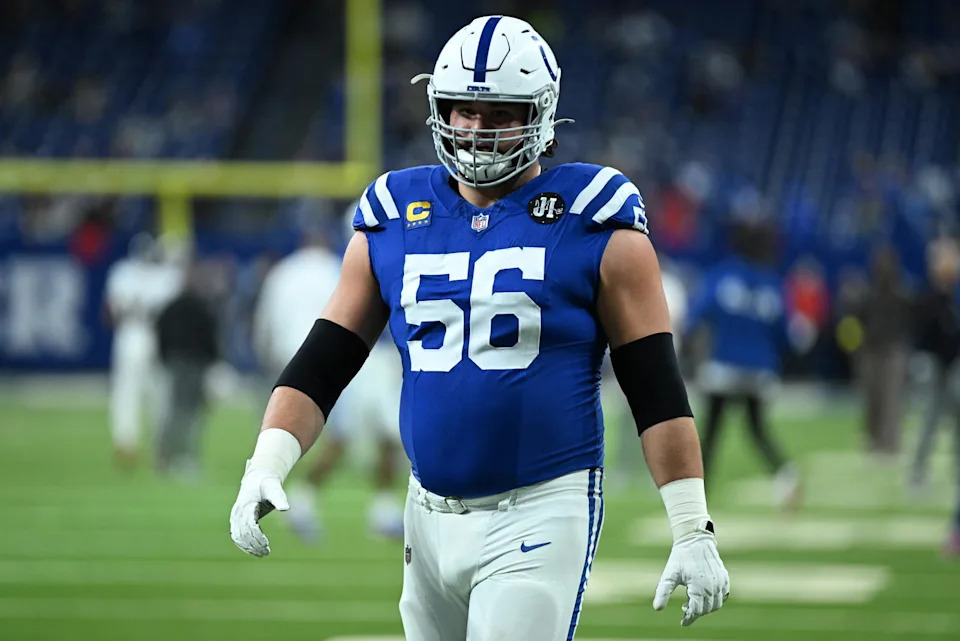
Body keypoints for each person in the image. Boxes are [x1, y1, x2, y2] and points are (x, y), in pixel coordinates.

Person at [230, 15, 729, 639]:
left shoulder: (594, 215)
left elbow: (654, 384)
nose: (475, 129)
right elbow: (323, 361)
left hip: (540, 508)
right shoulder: (393, 213)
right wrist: (266, 462)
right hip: (426, 513)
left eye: (499, 113)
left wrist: (690, 525)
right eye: (462, 109)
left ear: (542, 115)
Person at [252, 226, 404, 540]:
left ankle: (376, 508)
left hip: (293, 363)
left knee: (361, 434)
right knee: (354, 434)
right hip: (339, 361)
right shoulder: (340, 267)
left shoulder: (283, 272)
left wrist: (271, 364)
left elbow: (264, 324)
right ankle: (307, 501)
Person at [684, 219, 799, 507]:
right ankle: (785, 474)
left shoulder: (723, 276)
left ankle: (697, 497)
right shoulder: (772, 283)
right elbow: (786, 332)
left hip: (723, 366)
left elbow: (697, 315)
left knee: (710, 434)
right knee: (757, 429)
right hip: (760, 370)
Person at [103, 232, 182, 469]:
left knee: (127, 393)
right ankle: (161, 447)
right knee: (161, 395)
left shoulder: (123, 272)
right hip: (156, 337)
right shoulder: (168, 275)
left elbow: (111, 313)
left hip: (131, 334)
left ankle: (126, 443)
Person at [155, 260, 220, 476]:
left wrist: (164, 357)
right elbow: (211, 336)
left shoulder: (173, 306)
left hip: (179, 362)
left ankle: (166, 457)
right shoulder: (202, 306)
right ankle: (182, 458)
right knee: (189, 413)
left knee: (175, 410)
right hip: (193, 364)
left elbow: (160, 332)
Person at [856, 244, 912, 456]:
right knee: (873, 398)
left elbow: (909, 321)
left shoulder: (902, 294)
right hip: (871, 350)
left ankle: (890, 443)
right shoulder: (868, 293)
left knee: (892, 399)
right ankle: (873, 439)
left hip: (894, 350)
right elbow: (858, 319)